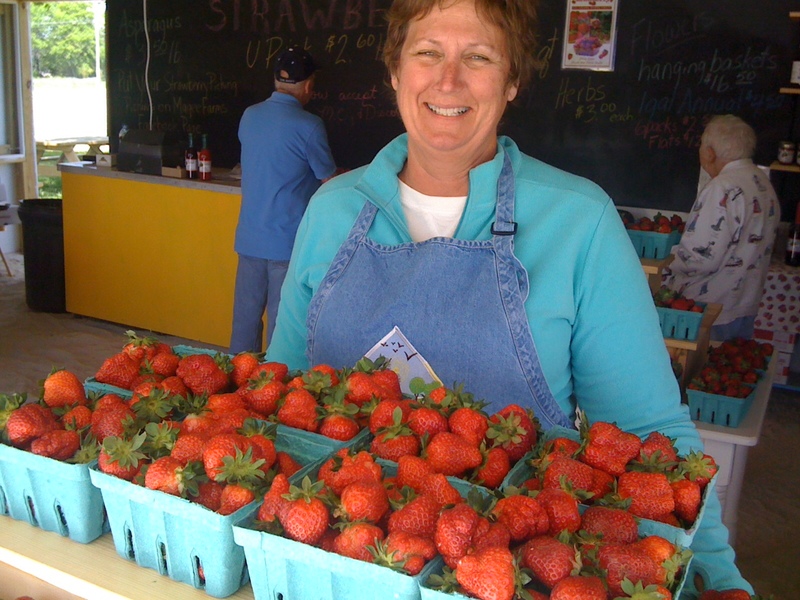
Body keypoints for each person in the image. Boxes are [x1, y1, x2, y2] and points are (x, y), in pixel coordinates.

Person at [266, 0, 754, 594]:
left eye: (478, 57)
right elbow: (281, 387)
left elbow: (648, 431)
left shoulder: (580, 221)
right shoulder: (332, 210)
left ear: (513, 81)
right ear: (395, 71)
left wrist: (717, 579)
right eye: (427, 53)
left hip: (513, 575)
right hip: (334, 566)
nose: (448, 80)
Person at [229, 46, 337, 353]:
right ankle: (272, 391)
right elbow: (327, 178)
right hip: (286, 243)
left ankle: (238, 387)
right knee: (281, 326)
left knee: (244, 322)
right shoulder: (309, 126)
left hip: (249, 238)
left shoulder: (249, 116)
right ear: (308, 86)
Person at [664, 114, 780, 342]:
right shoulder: (762, 181)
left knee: (694, 372)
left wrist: (661, 266)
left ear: (709, 152)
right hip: (745, 303)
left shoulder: (722, 187)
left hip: (709, 309)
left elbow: (699, 258)